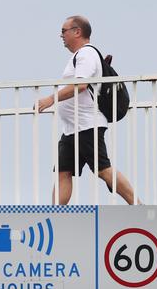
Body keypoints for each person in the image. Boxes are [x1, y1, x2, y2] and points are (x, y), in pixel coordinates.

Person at [36, 15, 141, 205]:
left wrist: (51, 99)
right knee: (63, 172)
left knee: (103, 170)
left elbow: (82, 84)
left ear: (77, 31)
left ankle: (138, 205)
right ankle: (55, 216)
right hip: (72, 128)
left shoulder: (86, 53)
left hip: (87, 124)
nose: (61, 36)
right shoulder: (80, 56)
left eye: (63, 31)